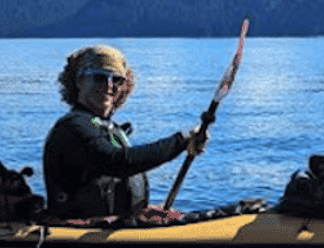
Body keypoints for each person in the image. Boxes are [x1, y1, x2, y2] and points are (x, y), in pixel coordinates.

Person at [42, 43, 208, 220]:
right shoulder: (73, 128)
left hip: (114, 228)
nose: (109, 86)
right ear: (79, 81)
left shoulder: (107, 128)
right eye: (99, 77)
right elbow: (118, 162)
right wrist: (180, 142)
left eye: (117, 80)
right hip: (79, 235)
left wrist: (141, 214)